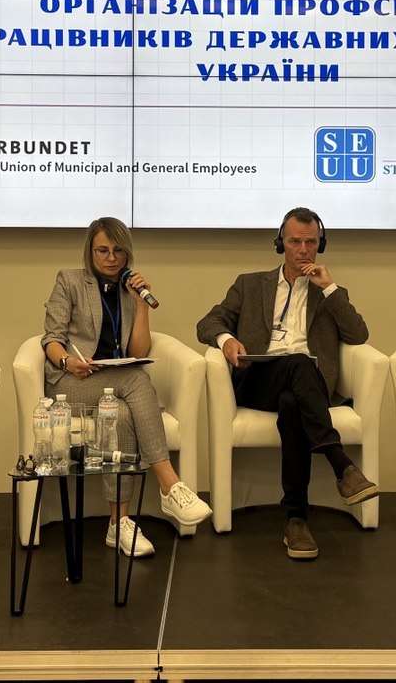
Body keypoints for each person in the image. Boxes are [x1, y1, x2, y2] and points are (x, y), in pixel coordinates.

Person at [195, 206, 378, 561]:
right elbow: (208, 322)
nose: (303, 250)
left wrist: (329, 288)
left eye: (311, 242)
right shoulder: (250, 284)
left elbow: (359, 334)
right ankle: (341, 463)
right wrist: (226, 340)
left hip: (306, 387)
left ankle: (296, 520)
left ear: (320, 245)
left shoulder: (329, 292)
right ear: (281, 243)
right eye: (295, 242)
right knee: (297, 362)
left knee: (294, 402)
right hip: (257, 380)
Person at [43, 217, 212, 558]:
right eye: (102, 250)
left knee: (119, 413)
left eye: (118, 251)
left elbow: (137, 351)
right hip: (72, 382)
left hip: (113, 386)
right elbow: (51, 339)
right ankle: (170, 484)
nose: (111, 258)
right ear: (90, 252)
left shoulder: (129, 289)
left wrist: (140, 304)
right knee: (136, 378)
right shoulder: (70, 281)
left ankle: (118, 523)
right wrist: (67, 362)